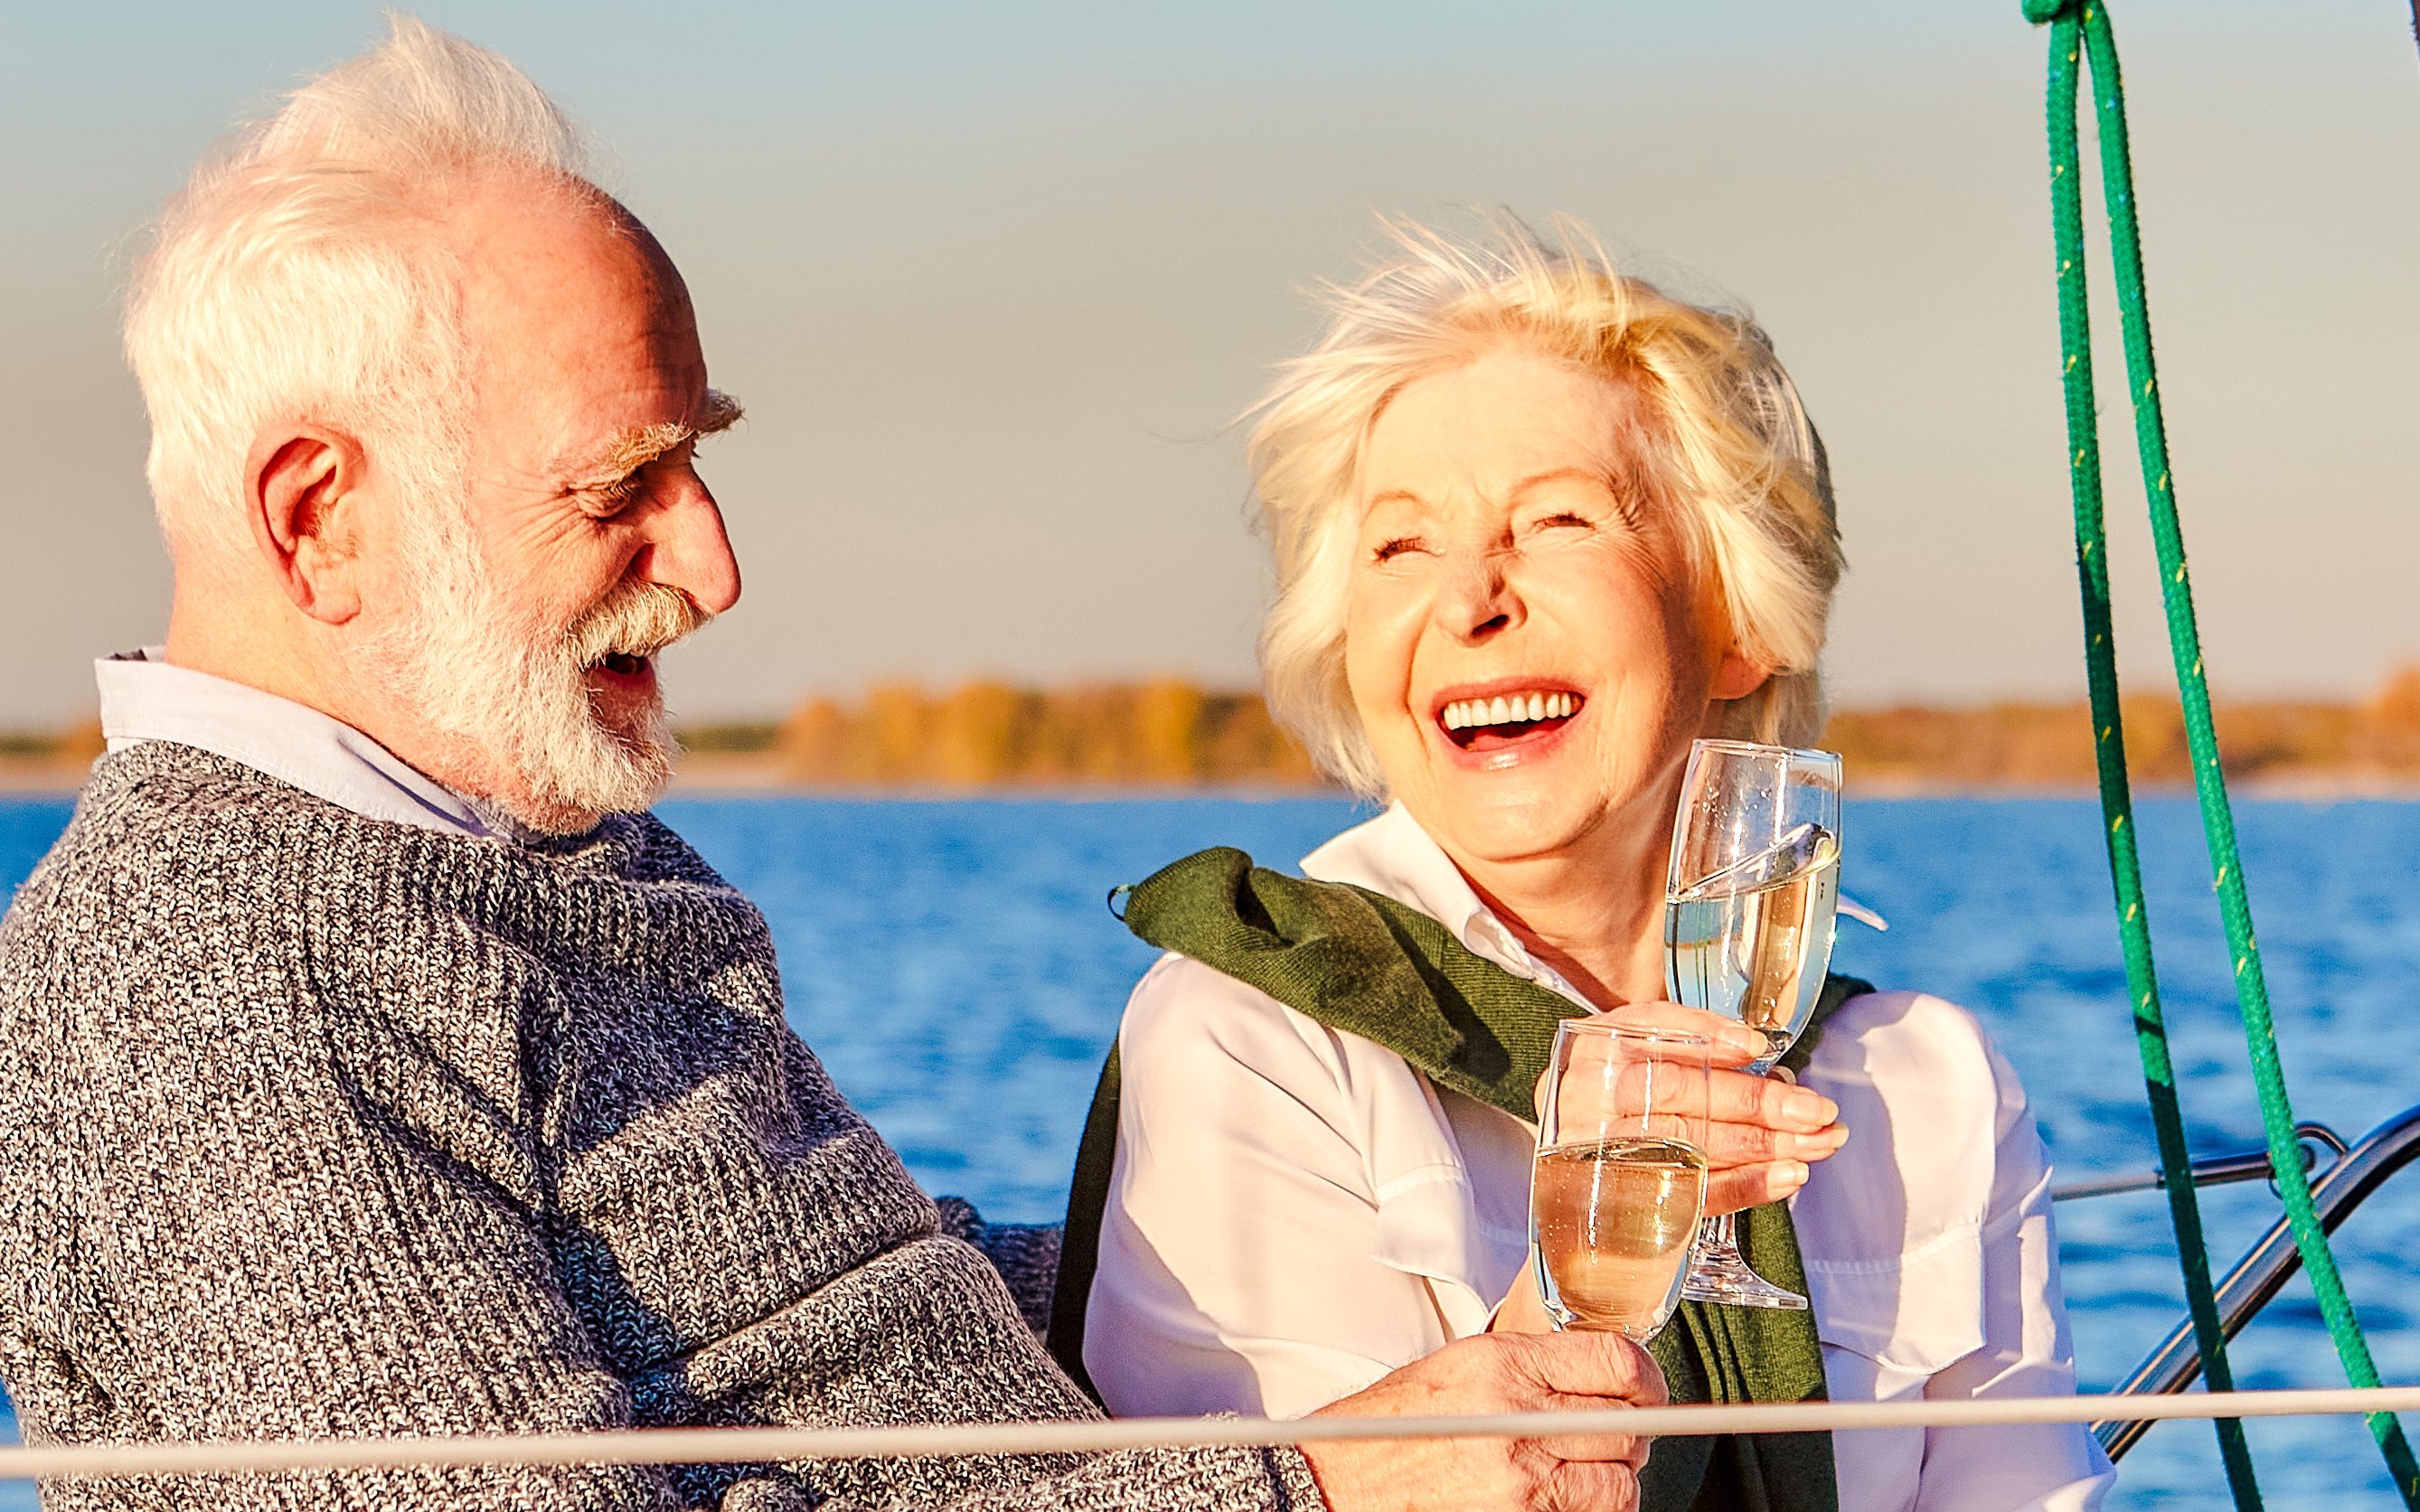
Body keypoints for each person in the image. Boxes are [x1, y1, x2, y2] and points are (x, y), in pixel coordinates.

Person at [0, 23, 1668, 1511]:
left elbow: (880, 1308)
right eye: (622, 485)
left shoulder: (527, 847)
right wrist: (1316, 1482)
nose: (714, 568)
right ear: (319, 518)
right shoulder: (196, 982)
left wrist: (1399, 1250)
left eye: (697, 464)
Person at [1083, 219, 2117, 1509]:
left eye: (1557, 520)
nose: (1468, 601)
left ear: (1737, 620)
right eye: (1399, 546)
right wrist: (1575, 1282)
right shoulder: (1254, 1034)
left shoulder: (1925, 1082)